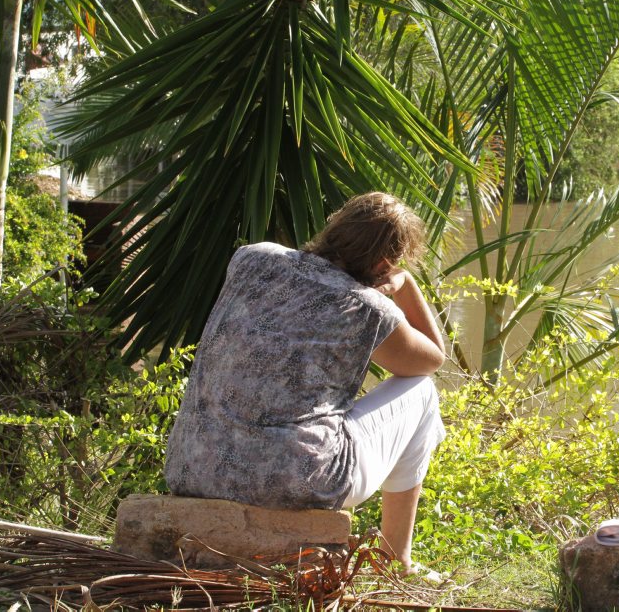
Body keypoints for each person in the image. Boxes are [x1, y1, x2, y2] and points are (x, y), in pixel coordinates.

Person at [164, 192, 446, 572]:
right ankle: (397, 558)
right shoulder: (368, 307)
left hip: (191, 468)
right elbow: (433, 358)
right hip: (297, 483)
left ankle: (395, 556)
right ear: (384, 263)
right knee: (422, 392)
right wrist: (406, 285)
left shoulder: (252, 257)